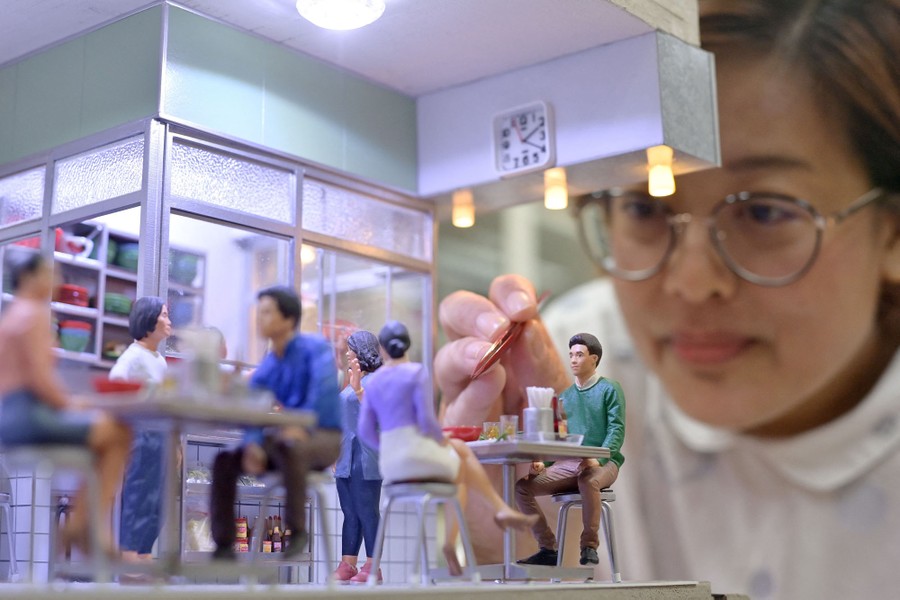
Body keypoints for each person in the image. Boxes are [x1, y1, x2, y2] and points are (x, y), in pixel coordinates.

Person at [435, 1, 900, 598]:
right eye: (645, 208)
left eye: (765, 211)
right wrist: (518, 564)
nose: (691, 283)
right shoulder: (582, 355)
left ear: (891, 231)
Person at [358, 320, 538, 577]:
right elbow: (427, 421)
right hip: (418, 455)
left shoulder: (373, 383)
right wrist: (439, 439)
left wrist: (386, 446)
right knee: (461, 454)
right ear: (407, 346)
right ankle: (496, 511)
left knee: (459, 470)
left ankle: (474, 527)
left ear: (383, 350)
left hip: (390, 463)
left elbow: (365, 430)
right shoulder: (415, 372)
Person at [0, 251, 131, 555]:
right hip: (29, 415)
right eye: (50, 273)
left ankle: (82, 524)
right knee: (118, 432)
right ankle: (85, 525)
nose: (56, 280)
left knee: (103, 437)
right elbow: (40, 379)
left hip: (10, 417)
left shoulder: (12, 314)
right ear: (30, 278)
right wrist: (71, 404)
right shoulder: (34, 313)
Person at [209, 285, 342, 560]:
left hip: (325, 438)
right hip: (288, 437)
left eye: (267, 312)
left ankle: (298, 531)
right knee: (225, 460)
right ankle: (223, 544)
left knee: (290, 445)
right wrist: (253, 445)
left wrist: (299, 425)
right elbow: (252, 405)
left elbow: (324, 397)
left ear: (288, 319)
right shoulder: (271, 362)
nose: (260, 319)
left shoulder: (315, 348)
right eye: (259, 312)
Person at [515, 333, 624, 567]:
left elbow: (616, 430)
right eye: (572, 355)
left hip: (604, 462)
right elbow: (560, 436)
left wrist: (599, 458)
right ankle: (547, 547)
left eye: (579, 355)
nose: (573, 359)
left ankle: (589, 546)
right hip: (568, 464)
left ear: (593, 358)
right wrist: (545, 463)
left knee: (588, 480)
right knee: (522, 488)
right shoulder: (564, 397)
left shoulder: (609, 389)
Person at [110, 296, 171, 564]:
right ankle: (129, 553)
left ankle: (144, 551)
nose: (169, 321)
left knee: (158, 497)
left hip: (162, 434)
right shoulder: (133, 356)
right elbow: (115, 382)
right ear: (148, 320)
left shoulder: (159, 359)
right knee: (139, 493)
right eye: (165, 315)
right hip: (142, 433)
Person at [333, 330, 384, 583]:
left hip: (367, 457)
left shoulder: (376, 381)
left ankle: (373, 565)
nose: (346, 352)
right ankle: (348, 563)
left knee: (367, 511)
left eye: (350, 347)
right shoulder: (351, 378)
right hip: (345, 456)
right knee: (349, 511)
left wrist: (359, 389)